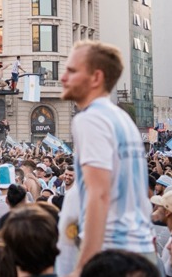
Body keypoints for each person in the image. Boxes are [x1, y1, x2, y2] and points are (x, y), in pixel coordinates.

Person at [61, 41, 155, 273]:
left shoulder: (90, 118)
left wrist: (83, 265)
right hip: (140, 248)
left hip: (112, 253)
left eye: (72, 71)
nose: (63, 77)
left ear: (96, 78)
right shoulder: (122, 118)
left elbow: (99, 193)